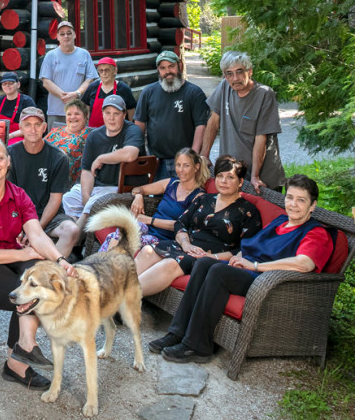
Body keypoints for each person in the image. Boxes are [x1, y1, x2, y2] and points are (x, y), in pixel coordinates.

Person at [150, 174, 332, 363]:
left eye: (301, 200)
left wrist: (255, 265)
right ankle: (177, 332)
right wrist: (237, 259)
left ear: (312, 206)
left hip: (268, 280)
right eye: (290, 198)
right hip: (248, 270)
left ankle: (198, 347)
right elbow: (249, 247)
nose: (293, 204)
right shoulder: (280, 222)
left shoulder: (316, 233)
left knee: (219, 272)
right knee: (204, 263)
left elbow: (304, 264)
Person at [0, 136, 76, 388]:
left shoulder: (19, 195)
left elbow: (37, 234)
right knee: (24, 292)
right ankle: (20, 359)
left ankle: (22, 351)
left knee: (42, 280)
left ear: (8, 162)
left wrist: (60, 260)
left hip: (9, 257)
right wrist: (23, 255)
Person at [134, 156, 262, 296]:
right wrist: (185, 244)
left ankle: (119, 300)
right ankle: (112, 295)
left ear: (240, 182)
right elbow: (180, 223)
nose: (224, 181)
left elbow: (245, 249)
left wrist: (213, 257)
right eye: (220, 176)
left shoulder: (248, 211)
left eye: (230, 177)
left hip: (207, 258)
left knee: (170, 264)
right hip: (185, 246)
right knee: (147, 250)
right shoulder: (204, 199)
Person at [201, 51, 285, 193]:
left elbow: (261, 137)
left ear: (250, 71)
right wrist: (205, 155)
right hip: (233, 174)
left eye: (240, 72)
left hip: (262, 177)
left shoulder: (264, 94)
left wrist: (255, 176)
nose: (235, 78)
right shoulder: (224, 87)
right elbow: (213, 122)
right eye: (229, 73)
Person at [62, 95, 145, 234]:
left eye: (116, 114)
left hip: (118, 188)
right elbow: (87, 171)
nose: (111, 118)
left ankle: (73, 238)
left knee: (92, 204)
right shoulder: (94, 136)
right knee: (68, 198)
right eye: (107, 113)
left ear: (124, 115)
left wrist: (101, 158)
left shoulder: (131, 130)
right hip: (97, 186)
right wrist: (85, 197)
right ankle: (79, 240)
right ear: (102, 114)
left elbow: (130, 154)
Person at [99, 148, 209, 251]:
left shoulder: (198, 196)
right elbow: (138, 189)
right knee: (118, 234)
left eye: (186, 165)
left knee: (123, 241)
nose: (181, 170)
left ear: (196, 167)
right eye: (178, 165)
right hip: (147, 229)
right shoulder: (171, 183)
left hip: (163, 240)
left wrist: (149, 220)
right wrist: (138, 196)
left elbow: (183, 226)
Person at [7, 107, 80, 258]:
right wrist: (24, 227)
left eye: (37, 124)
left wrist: (37, 230)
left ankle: (49, 271)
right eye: (27, 125)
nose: (33, 129)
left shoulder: (59, 157)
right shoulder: (9, 154)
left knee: (72, 230)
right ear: (21, 128)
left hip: (49, 214)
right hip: (19, 213)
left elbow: (55, 200)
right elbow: (9, 196)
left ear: (44, 127)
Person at [134, 51, 209, 180]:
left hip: (185, 162)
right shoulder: (148, 92)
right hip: (157, 162)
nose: (167, 71)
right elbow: (139, 124)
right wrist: (142, 155)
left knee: (186, 199)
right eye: (162, 68)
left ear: (180, 66)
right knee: (158, 199)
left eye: (171, 66)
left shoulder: (194, 93)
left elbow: (201, 126)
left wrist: (193, 157)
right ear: (158, 70)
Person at [40, 21, 99, 129]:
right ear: (57, 37)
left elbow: (90, 79)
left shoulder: (84, 54)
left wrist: (77, 93)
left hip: (79, 112)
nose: (66, 36)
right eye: (62, 34)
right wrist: (64, 96)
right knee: (55, 144)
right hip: (56, 112)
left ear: (75, 35)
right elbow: (46, 81)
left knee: (79, 144)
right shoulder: (50, 56)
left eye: (69, 33)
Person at [45, 99, 91, 184]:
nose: (72, 117)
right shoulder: (56, 131)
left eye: (77, 114)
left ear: (86, 116)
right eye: (69, 114)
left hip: (63, 181)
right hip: (43, 171)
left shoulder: (88, 135)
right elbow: (41, 146)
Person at [81, 57, 136, 126]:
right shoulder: (93, 87)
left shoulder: (124, 89)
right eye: (101, 70)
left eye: (107, 70)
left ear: (115, 71)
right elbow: (86, 106)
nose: (104, 73)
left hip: (117, 132)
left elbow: (131, 111)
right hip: (94, 131)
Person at [0, 71, 35, 145]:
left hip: (20, 138)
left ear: (18, 85)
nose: (7, 86)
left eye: (11, 83)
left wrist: (9, 136)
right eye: (4, 84)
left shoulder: (27, 101)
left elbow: (30, 126)